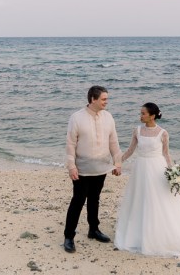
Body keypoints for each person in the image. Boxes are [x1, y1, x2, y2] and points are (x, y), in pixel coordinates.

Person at [114, 103, 180, 257]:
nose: (141, 116)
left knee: (159, 200)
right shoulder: (137, 130)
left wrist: (174, 172)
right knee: (140, 198)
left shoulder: (163, 133)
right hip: (140, 168)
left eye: (143, 113)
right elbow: (130, 150)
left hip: (157, 168)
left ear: (152, 116)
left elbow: (166, 154)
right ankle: (139, 231)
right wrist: (118, 162)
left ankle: (160, 231)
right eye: (141, 113)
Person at [63, 85, 122, 253]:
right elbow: (70, 144)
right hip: (82, 168)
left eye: (106, 99)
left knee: (95, 199)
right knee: (78, 201)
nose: (106, 102)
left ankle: (93, 230)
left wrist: (117, 163)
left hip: (101, 167)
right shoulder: (76, 117)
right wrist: (71, 166)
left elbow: (113, 142)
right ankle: (68, 236)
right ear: (93, 99)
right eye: (103, 99)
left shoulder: (108, 117)